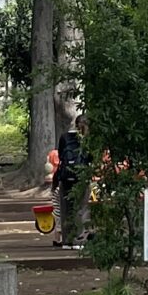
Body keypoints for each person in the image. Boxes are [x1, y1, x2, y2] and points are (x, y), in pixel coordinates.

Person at [51, 103, 86, 248]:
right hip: (81, 177)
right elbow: (90, 158)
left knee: (66, 208)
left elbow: (60, 155)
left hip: (65, 177)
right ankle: (79, 239)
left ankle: (66, 241)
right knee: (81, 208)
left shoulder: (65, 137)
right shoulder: (85, 139)